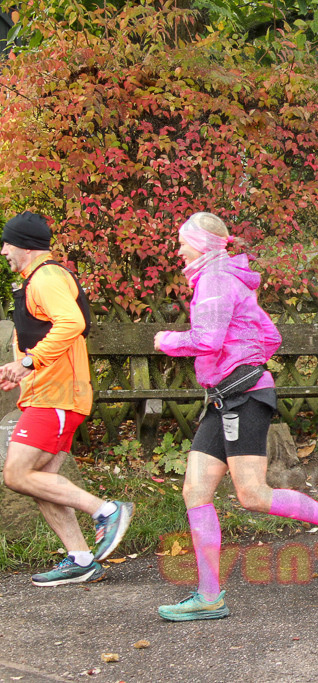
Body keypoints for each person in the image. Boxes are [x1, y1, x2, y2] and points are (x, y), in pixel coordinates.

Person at [154, 212, 318, 621]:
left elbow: (206, 339)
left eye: (183, 240)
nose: (179, 248)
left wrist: (165, 340)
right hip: (225, 397)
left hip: (242, 397)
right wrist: (244, 358)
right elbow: (269, 335)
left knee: (252, 494)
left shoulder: (216, 281)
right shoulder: (221, 278)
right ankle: (209, 596)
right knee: (195, 491)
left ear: (202, 244)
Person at [0, 211, 133, 586]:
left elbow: (71, 324)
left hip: (56, 397)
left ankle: (107, 510)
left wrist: (29, 361)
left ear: (24, 245)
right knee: (40, 479)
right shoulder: (37, 279)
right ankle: (81, 559)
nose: (4, 251)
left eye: (7, 243)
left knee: (17, 474)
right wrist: (20, 371)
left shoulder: (47, 277)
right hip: (48, 393)